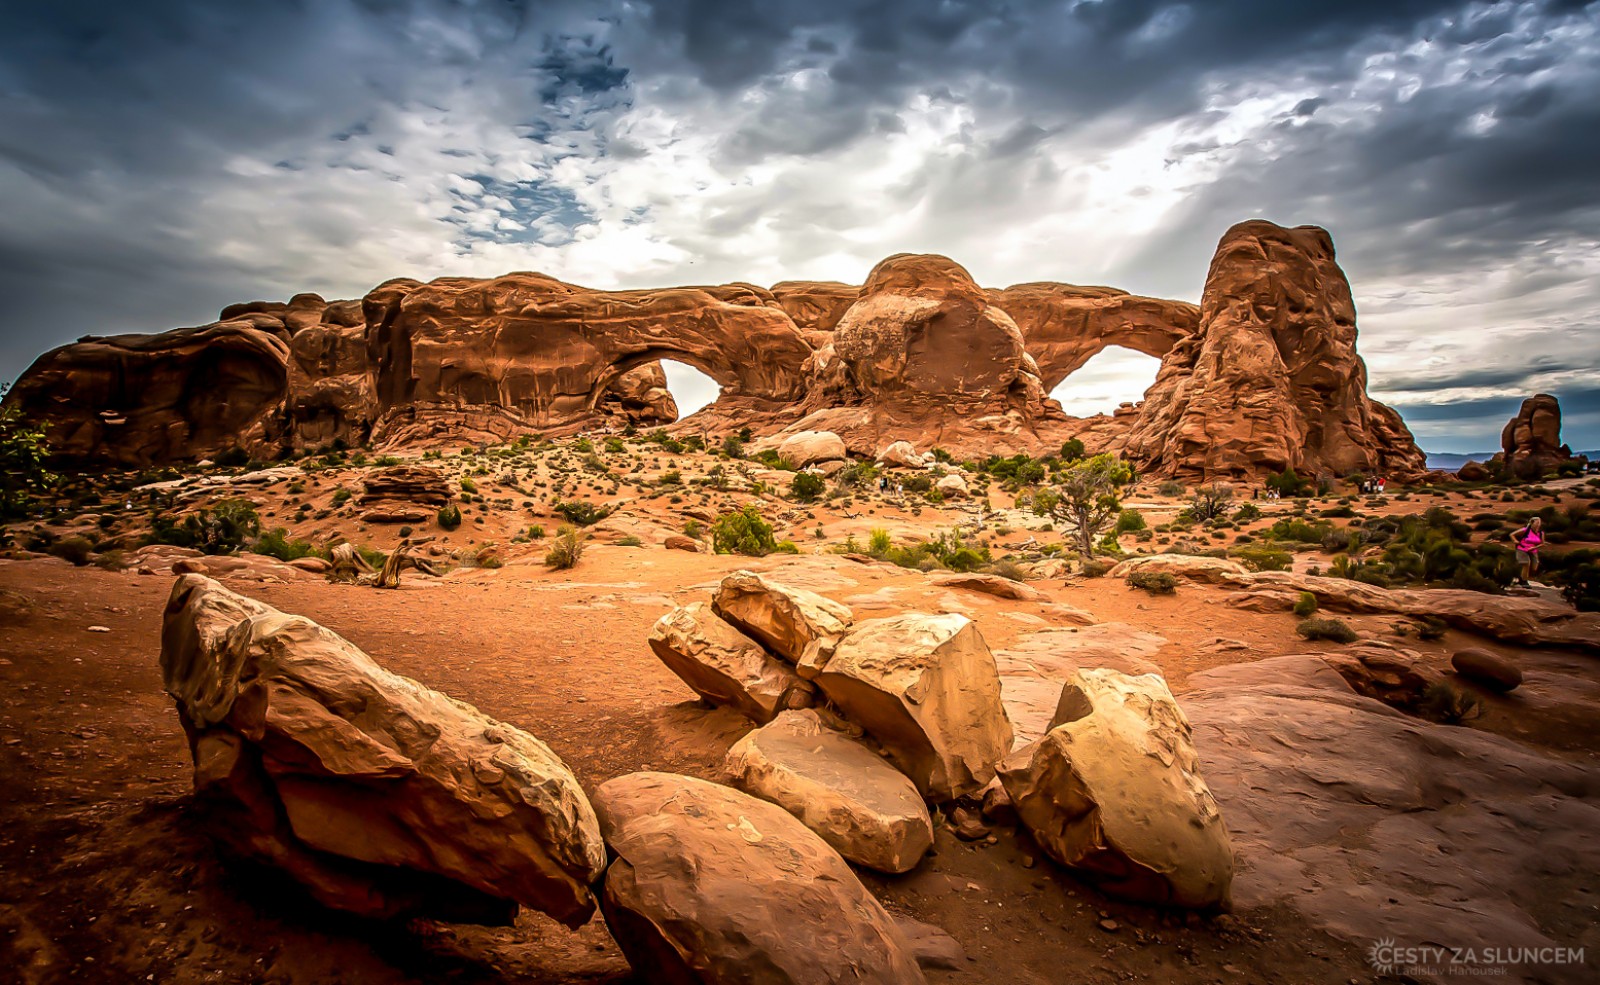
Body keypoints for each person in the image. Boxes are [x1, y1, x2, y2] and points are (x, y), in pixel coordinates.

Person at [1511, 516, 1544, 587]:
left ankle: (1521, 577)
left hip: (1533, 550)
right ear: (1532, 523)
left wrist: (1534, 547)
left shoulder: (1541, 533)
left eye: (1539, 522)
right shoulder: (1526, 530)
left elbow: (1542, 543)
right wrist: (1515, 540)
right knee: (1526, 563)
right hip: (1522, 548)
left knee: (1534, 567)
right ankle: (1524, 581)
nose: (1538, 524)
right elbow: (1512, 534)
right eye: (1537, 522)